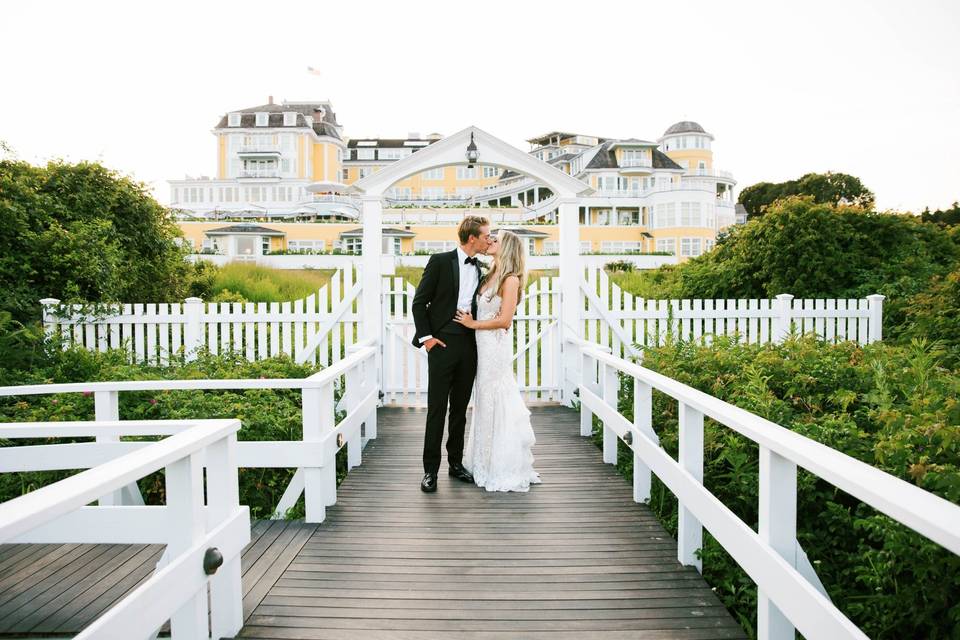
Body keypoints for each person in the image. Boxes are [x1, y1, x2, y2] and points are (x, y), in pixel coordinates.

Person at [454, 230, 541, 492]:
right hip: (482, 346)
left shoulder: (511, 279)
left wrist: (472, 324)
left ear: (507, 248)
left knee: (495, 399)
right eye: (490, 238)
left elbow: (505, 321)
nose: (490, 242)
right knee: (483, 400)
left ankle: (499, 465)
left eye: (496, 240)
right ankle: (482, 459)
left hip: (494, 348)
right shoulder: (490, 273)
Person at [411, 216, 492, 493]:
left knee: (460, 410)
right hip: (442, 344)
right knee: (437, 409)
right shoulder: (440, 261)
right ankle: (430, 471)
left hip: (469, 346)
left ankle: (455, 465)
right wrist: (427, 339)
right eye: (486, 236)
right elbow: (419, 302)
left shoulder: (481, 268)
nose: (488, 241)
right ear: (472, 238)